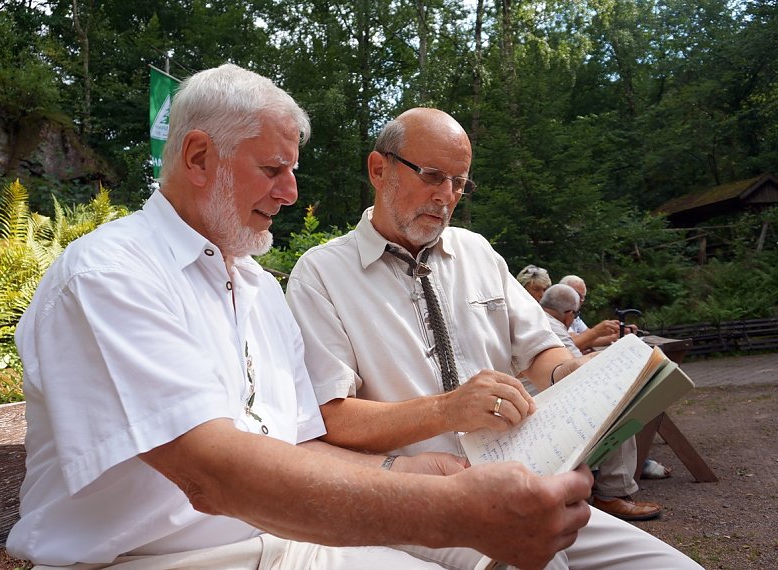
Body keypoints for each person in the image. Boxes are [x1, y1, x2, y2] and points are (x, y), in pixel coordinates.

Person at [6, 65, 596, 570]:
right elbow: (212, 476)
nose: (290, 192)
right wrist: (451, 510)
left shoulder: (259, 288)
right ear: (199, 157)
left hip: (284, 546)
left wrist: (412, 472)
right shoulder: (110, 275)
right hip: (152, 559)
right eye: (272, 169)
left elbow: (301, 446)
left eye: (292, 170)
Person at [286, 107, 701, 569]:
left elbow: (540, 351)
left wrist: (575, 373)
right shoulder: (321, 274)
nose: (446, 196)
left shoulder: (477, 251)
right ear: (379, 170)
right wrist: (446, 410)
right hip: (419, 495)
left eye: (460, 183)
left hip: (524, 479)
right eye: (432, 176)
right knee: (545, 562)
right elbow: (329, 417)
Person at [539, 285, 663, 521]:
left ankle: (610, 484)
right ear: (570, 314)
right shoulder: (549, 327)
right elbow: (577, 372)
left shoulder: (539, 321)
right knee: (618, 409)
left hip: (541, 399)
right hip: (548, 405)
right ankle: (613, 493)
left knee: (612, 400)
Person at [558, 274, 630, 353]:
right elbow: (573, 343)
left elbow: (587, 337)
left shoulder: (574, 314)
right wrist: (599, 332)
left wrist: (619, 331)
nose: (580, 301)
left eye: (583, 297)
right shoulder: (557, 315)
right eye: (577, 295)